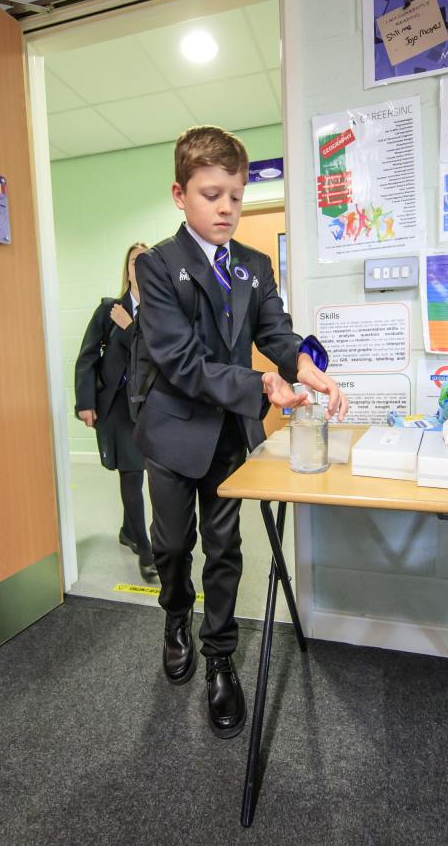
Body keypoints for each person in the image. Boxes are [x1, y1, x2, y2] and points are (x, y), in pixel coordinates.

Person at [134, 125, 348, 739]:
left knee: (225, 550)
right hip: (174, 437)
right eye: (210, 194)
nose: (226, 206)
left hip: (228, 437)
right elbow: (179, 361)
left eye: (235, 193)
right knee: (174, 547)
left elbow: (274, 334)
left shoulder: (254, 265)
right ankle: (176, 615)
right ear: (180, 194)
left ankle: (220, 656)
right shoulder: (157, 267)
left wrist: (304, 368)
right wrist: (261, 387)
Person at [74, 242, 157, 582]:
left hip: (151, 405)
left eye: (148, 262)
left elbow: (159, 353)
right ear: (127, 270)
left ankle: (128, 529)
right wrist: (85, 402)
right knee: (131, 472)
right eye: (136, 261)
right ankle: (146, 549)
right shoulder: (109, 310)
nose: (141, 267)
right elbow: (87, 356)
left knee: (151, 473)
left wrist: (130, 328)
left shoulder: (161, 312)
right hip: (117, 405)